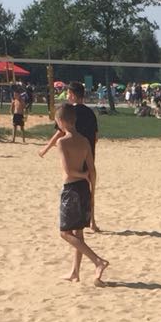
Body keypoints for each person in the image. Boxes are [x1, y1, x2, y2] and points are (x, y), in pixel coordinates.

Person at [51, 103, 109, 283]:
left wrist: (81, 174)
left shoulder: (62, 142)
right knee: (78, 233)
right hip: (84, 188)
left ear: (61, 122)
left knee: (65, 233)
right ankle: (75, 272)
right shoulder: (84, 141)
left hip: (71, 189)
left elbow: (68, 171)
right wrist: (91, 188)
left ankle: (97, 261)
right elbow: (93, 169)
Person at [46, 82, 101, 231]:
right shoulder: (91, 113)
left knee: (72, 189)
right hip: (89, 156)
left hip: (74, 158)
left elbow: (59, 133)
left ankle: (77, 223)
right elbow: (96, 137)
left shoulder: (69, 113)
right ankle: (92, 221)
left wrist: (46, 148)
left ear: (72, 95)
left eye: (69, 94)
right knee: (91, 190)